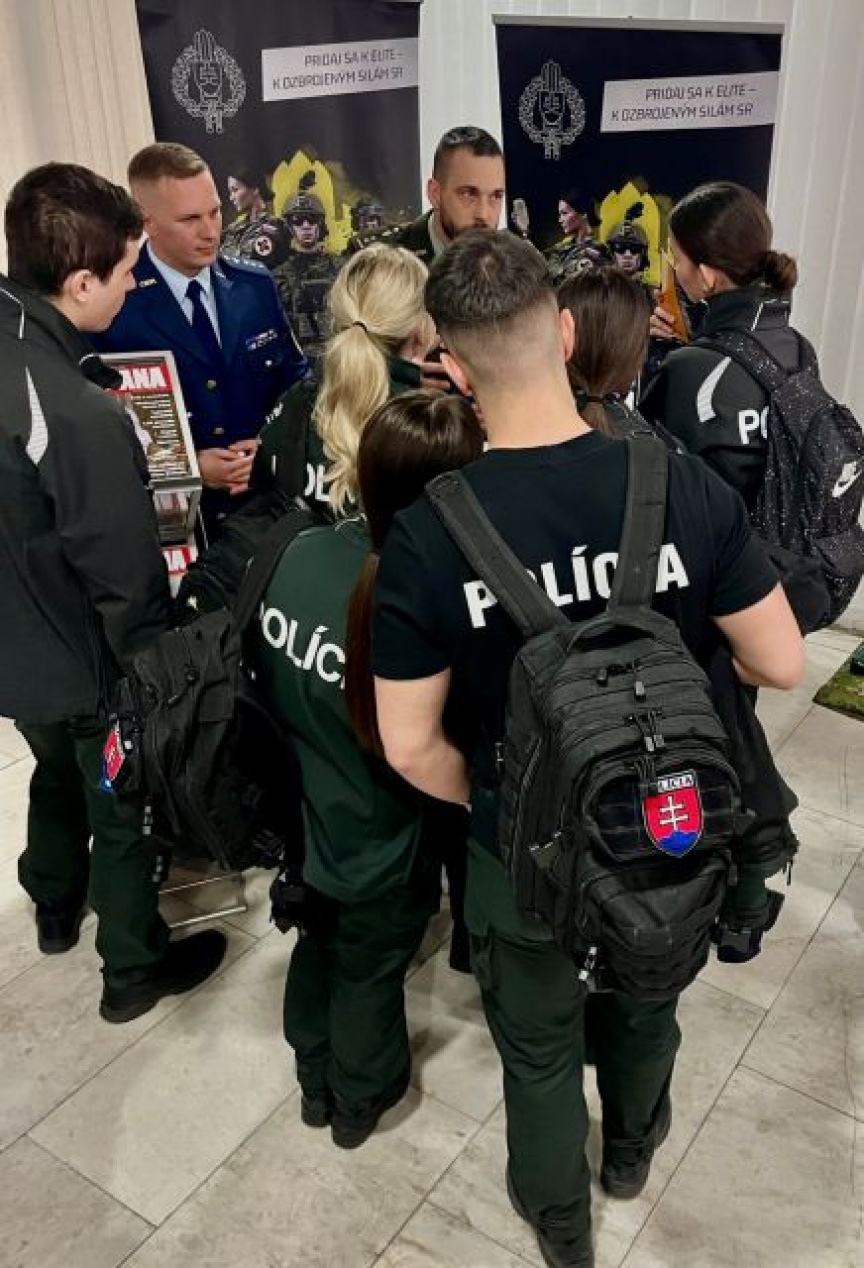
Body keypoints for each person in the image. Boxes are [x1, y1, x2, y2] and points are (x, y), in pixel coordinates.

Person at [371, 229, 804, 1267]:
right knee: (648, 997)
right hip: (666, 822)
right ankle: (633, 1151)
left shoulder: (429, 534)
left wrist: (505, 793)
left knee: (537, 1047)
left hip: (518, 854)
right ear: (564, 333)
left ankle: (561, 1221)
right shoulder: (681, 484)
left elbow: (408, 744)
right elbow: (782, 661)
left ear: (453, 366)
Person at [0, 162, 226, 1023]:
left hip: (15, 639)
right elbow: (125, 583)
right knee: (118, 795)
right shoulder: (82, 415)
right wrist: (155, 683)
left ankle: (54, 897)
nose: (134, 286)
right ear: (81, 281)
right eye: (128, 271)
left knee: (53, 766)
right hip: (77, 652)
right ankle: (133, 965)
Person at [250, 382, 482, 1147]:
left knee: (315, 940)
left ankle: (313, 1079)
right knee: (368, 970)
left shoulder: (298, 551)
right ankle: (357, 1100)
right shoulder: (427, 606)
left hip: (298, 819)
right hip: (381, 840)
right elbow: (425, 747)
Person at [94, 142, 308, 536]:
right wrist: (188, 467)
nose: (210, 231)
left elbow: (297, 385)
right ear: (146, 221)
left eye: (214, 212)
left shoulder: (254, 286)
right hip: (177, 529)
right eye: (190, 219)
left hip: (266, 514)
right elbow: (100, 436)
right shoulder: (114, 306)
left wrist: (271, 446)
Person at [639, 181, 800, 510]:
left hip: (714, 538)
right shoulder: (799, 348)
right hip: (788, 539)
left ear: (707, 276)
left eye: (677, 259)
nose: (674, 270)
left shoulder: (688, 368)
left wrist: (658, 358)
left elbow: (643, 454)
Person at [347, 125, 505, 262]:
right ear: (435, 194)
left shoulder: (513, 263)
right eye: (468, 194)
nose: (484, 214)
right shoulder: (375, 259)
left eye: (496, 196)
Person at [271, 172, 340, 372]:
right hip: (298, 364)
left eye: (311, 219)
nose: (306, 226)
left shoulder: (341, 267)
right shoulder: (279, 275)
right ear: (290, 226)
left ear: (320, 223)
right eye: (298, 220)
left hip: (338, 359)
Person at [221, 165, 291, 270]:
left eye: (235, 190)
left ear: (254, 189)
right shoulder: (234, 229)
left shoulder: (274, 227)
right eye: (230, 192)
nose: (231, 198)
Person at [545, 188, 608, 283]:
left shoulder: (599, 249)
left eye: (564, 213)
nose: (560, 220)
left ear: (583, 213)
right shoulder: (561, 248)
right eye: (560, 214)